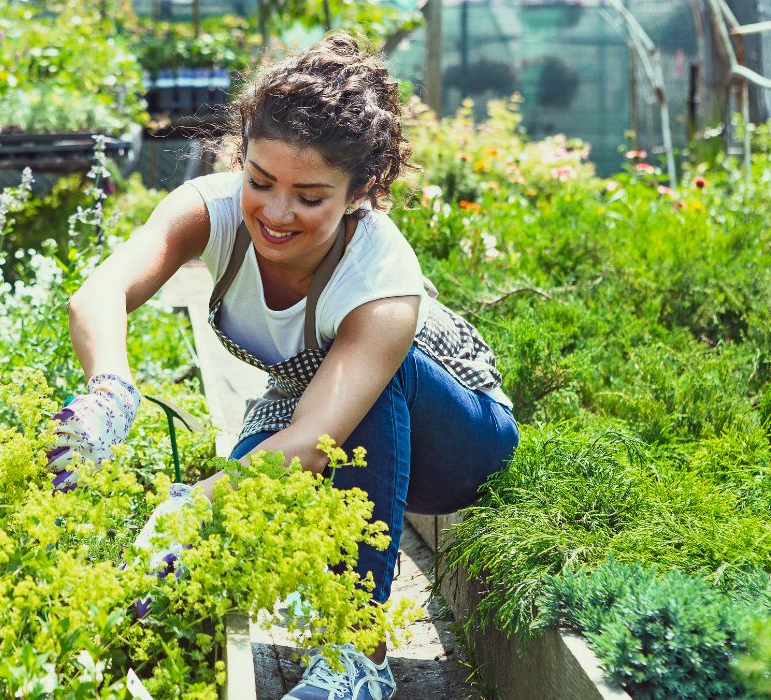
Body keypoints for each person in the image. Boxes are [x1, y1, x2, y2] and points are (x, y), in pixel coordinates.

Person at [49, 33, 520, 700]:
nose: (275, 212)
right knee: (220, 536)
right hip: (317, 412)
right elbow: (98, 293)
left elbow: (313, 442)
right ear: (240, 158)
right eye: (260, 181)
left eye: (309, 196)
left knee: (255, 476)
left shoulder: (380, 277)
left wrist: (191, 505)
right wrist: (110, 391)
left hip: (460, 444)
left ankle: (359, 654)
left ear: (360, 191)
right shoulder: (208, 211)